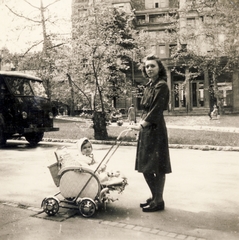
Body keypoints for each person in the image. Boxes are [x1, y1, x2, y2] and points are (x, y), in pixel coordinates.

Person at [129, 55, 172, 212]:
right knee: (145, 165)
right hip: (146, 129)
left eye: (152, 66)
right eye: (147, 67)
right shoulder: (149, 85)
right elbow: (145, 109)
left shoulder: (162, 86)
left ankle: (158, 200)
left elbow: (156, 109)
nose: (149, 69)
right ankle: (155, 197)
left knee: (157, 166)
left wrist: (142, 124)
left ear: (159, 68)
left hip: (156, 129)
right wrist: (139, 125)